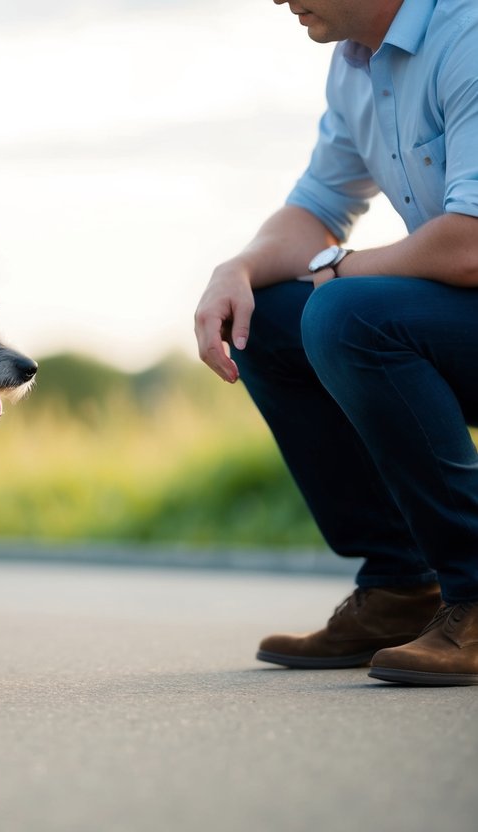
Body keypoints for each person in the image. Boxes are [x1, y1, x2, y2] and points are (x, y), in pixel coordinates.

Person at [194, 0, 478, 685]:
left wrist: (337, 270)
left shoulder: (466, 36)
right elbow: (317, 208)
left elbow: (470, 245)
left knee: (344, 311)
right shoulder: (354, 64)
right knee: (265, 315)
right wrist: (235, 270)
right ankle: (398, 586)